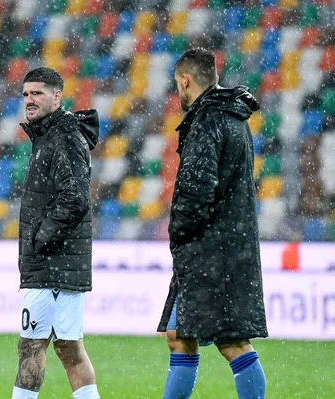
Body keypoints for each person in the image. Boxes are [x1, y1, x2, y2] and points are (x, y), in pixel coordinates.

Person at [157, 48, 268, 399]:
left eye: (178, 84)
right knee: (179, 336)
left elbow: (197, 189)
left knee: (232, 341)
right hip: (225, 243)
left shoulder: (206, 120)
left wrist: (180, 231)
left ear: (185, 80)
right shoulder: (234, 118)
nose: (178, 91)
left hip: (212, 250)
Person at [11, 67, 101, 399]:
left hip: (53, 264)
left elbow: (74, 198)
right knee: (68, 349)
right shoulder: (53, 135)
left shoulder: (62, 137)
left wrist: (39, 238)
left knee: (31, 348)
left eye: (37, 93)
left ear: (57, 96)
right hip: (61, 263)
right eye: (25, 94)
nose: (29, 100)